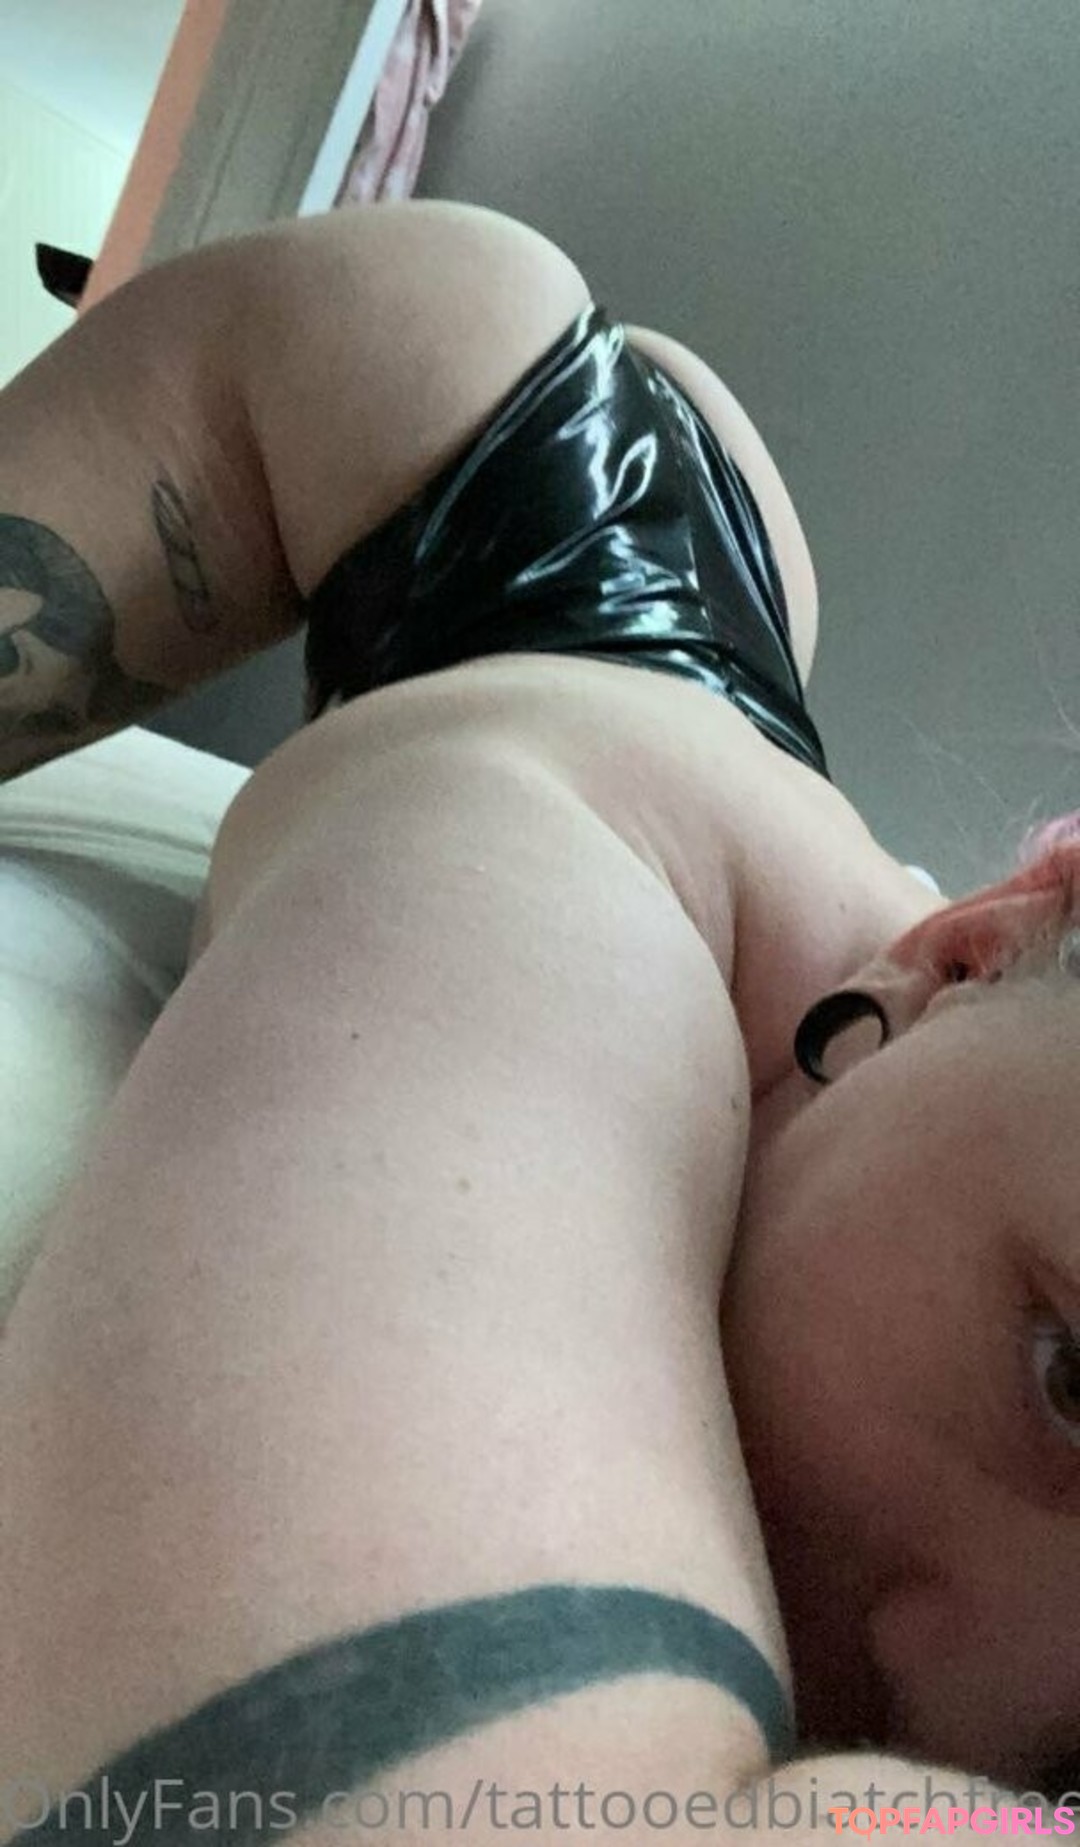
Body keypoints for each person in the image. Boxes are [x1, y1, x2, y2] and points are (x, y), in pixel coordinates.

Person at [0, 197, 1075, 1839]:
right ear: (982, 947)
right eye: (1070, 1381)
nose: (963, 1695)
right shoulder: (557, 887)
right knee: (439, 307)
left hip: (748, 711)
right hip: (461, 438)